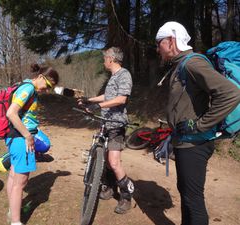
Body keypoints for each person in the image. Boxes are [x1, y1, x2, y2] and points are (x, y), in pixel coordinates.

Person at [155, 21, 240, 225]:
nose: (157, 49)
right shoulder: (180, 65)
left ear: (171, 41)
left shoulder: (193, 63)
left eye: (159, 43)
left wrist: (200, 124)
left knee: (193, 200)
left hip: (195, 144)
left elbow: (231, 93)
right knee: (186, 194)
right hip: (185, 142)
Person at [79, 47, 134, 214]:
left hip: (116, 124)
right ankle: (109, 188)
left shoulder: (124, 74)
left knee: (114, 162)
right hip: (105, 123)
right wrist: (89, 101)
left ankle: (126, 197)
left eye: (105, 59)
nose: (104, 62)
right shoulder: (114, 77)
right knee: (106, 160)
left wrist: (98, 105)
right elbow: (107, 97)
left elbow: (121, 99)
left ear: (111, 59)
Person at [6, 64, 59, 225]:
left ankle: (13, 211)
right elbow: (11, 113)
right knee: (20, 182)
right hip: (21, 139)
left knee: (14, 177)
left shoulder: (27, 86)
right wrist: (28, 136)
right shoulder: (28, 88)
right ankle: (16, 221)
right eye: (48, 86)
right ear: (41, 77)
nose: (47, 90)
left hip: (16, 138)